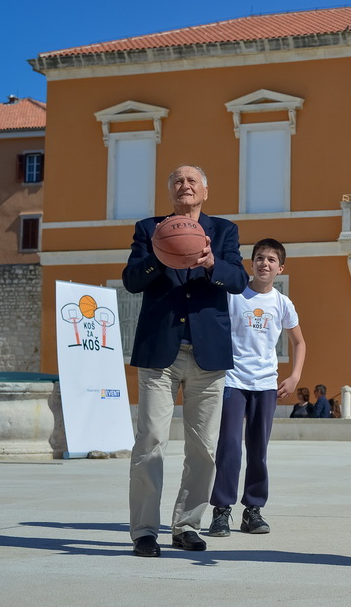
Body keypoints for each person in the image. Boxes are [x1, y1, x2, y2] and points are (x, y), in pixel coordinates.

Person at [122, 165, 249, 557]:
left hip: (208, 354)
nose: (185, 185)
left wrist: (211, 263)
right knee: (150, 442)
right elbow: (131, 280)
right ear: (170, 192)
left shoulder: (224, 231)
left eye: (193, 180)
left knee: (204, 449)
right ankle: (145, 530)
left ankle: (187, 525)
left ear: (205, 191)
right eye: (178, 181)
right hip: (160, 352)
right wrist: (163, 255)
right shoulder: (149, 229)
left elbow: (239, 281)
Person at [208, 238, 306, 538]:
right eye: (260, 258)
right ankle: (221, 510)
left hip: (265, 385)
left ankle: (253, 509)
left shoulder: (282, 303)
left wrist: (294, 376)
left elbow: (299, 342)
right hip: (233, 381)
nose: (265, 264)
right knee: (229, 446)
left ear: (280, 268)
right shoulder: (234, 295)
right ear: (251, 263)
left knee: (258, 449)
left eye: (271, 260)